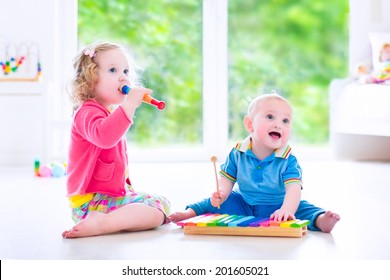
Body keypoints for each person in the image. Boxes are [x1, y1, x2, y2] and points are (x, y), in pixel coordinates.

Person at [168, 92, 340, 233]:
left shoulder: (288, 159)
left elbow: (293, 190)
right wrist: (221, 192)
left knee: (303, 208)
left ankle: (321, 221)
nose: (278, 124)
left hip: (279, 205)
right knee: (213, 202)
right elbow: (227, 179)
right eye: (270, 117)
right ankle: (188, 213)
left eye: (285, 121)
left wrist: (287, 209)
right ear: (250, 124)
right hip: (244, 202)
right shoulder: (237, 153)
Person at [62, 42, 170, 238]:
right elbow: (105, 137)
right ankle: (103, 223)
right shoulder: (86, 112)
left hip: (104, 198)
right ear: (90, 78)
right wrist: (129, 105)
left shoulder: (105, 111)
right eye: (113, 70)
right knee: (156, 210)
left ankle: (109, 220)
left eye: (126, 71)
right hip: (89, 203)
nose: (123, 77)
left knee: (161, 203)